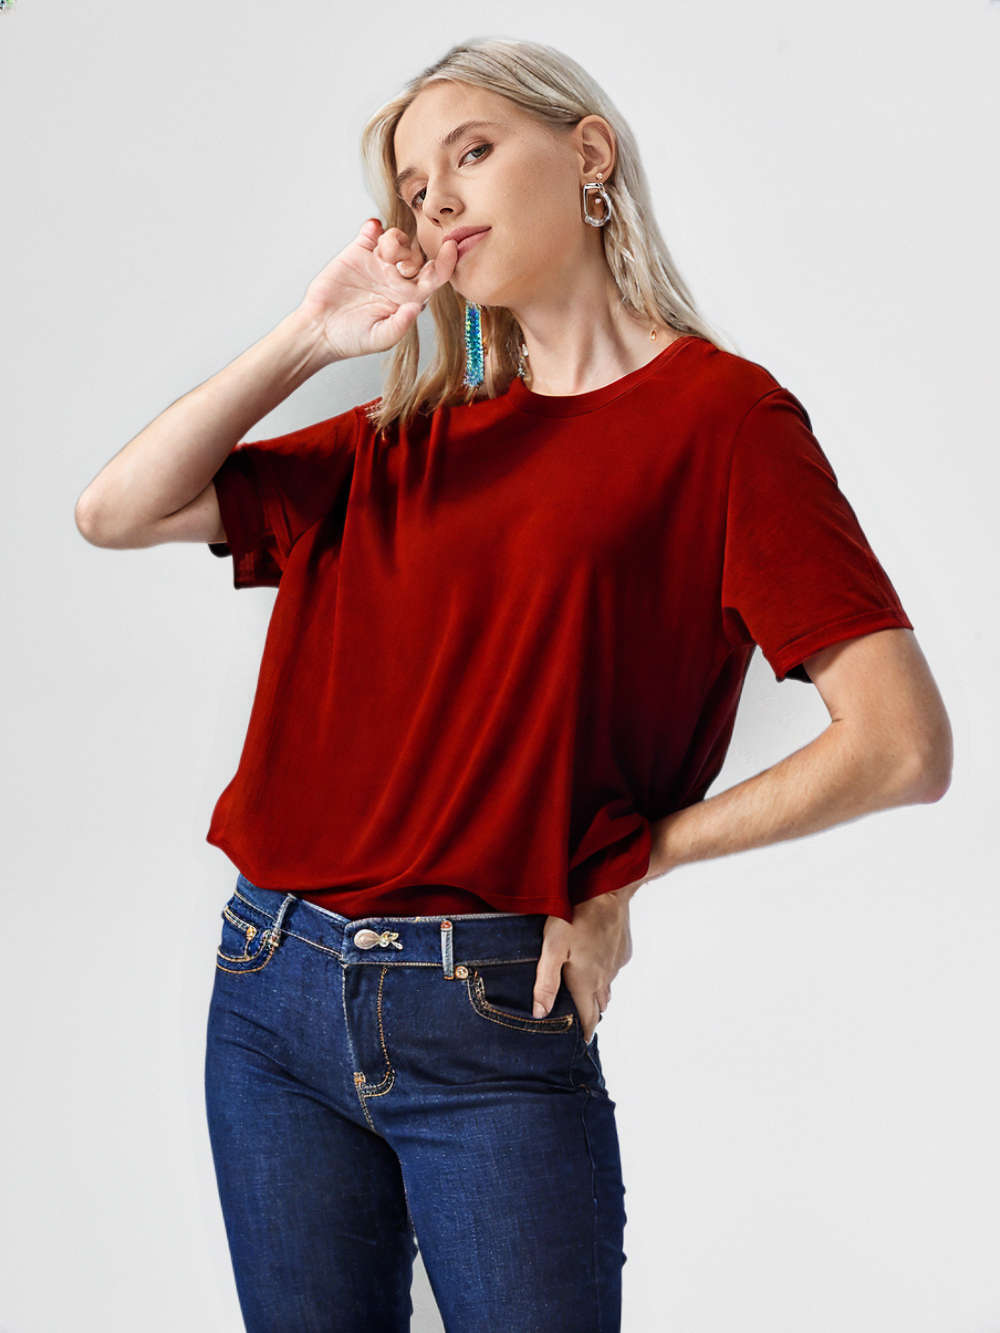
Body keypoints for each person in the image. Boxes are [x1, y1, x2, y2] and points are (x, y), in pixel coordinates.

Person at [74, 36, 952, 1333]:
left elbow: (898, 744)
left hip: (489, 1007)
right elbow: (115, 511)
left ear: (588, 153)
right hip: (269, 988)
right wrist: (312, 336)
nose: (440, 201)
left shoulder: (724, 424)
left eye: (472, 153)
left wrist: (627, 864)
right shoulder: (405, 435)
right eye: (414, 189)